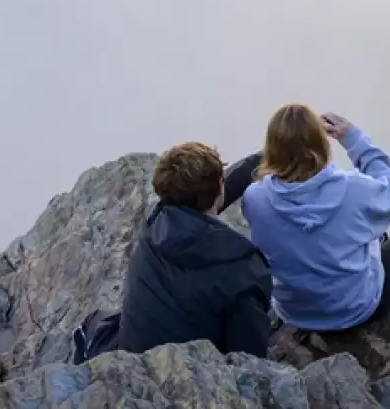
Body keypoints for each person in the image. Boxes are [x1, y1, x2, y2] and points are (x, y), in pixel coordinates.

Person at [242, 103, 390, 332]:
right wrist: (353, 138)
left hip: (295, 312)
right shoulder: (353, 189)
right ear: (321, 143)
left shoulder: (255, 198)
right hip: (355, 309)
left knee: (371, 234)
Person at [105, 143, 273, 358]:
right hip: (192, 381)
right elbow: (250, 359)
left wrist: (267, 154)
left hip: (134, 366)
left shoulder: (155, 223)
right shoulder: (242, 270)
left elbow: (207, 198)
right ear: (218, 190)